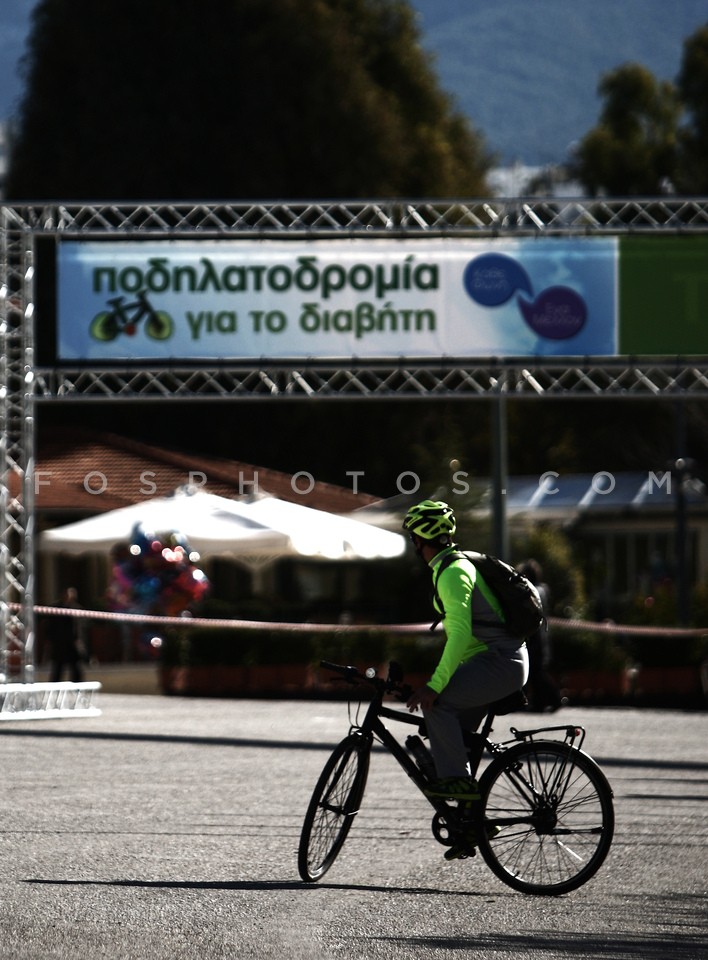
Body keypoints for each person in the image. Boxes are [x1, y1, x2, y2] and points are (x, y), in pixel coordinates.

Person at [402, 500, 529, 859]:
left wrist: (434, 685)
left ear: (420, 539)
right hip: (495, 661)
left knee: (438, 705)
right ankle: (472, 824)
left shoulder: (452, 573)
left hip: (499, 664)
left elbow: (459, 635)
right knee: (449, 732)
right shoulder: (451, 567)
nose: (414, 545)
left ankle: (458, 785)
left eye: (413, 537)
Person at [517, 559, 562, 712]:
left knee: (537, 673)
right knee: (535, 673)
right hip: (540, 637)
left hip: (536, 639)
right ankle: (540, 702)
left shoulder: (535, 591)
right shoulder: (543, 590)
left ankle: (555, 699)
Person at [48, 587, 87, 683]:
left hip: (72, 643)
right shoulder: (56, 609)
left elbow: (79, 627)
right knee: (58, 668)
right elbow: (50, 626)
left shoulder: (76, 608)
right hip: (60, 643)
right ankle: (54, 688)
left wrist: (79, 641)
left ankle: (78, 688)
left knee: (76, 668)